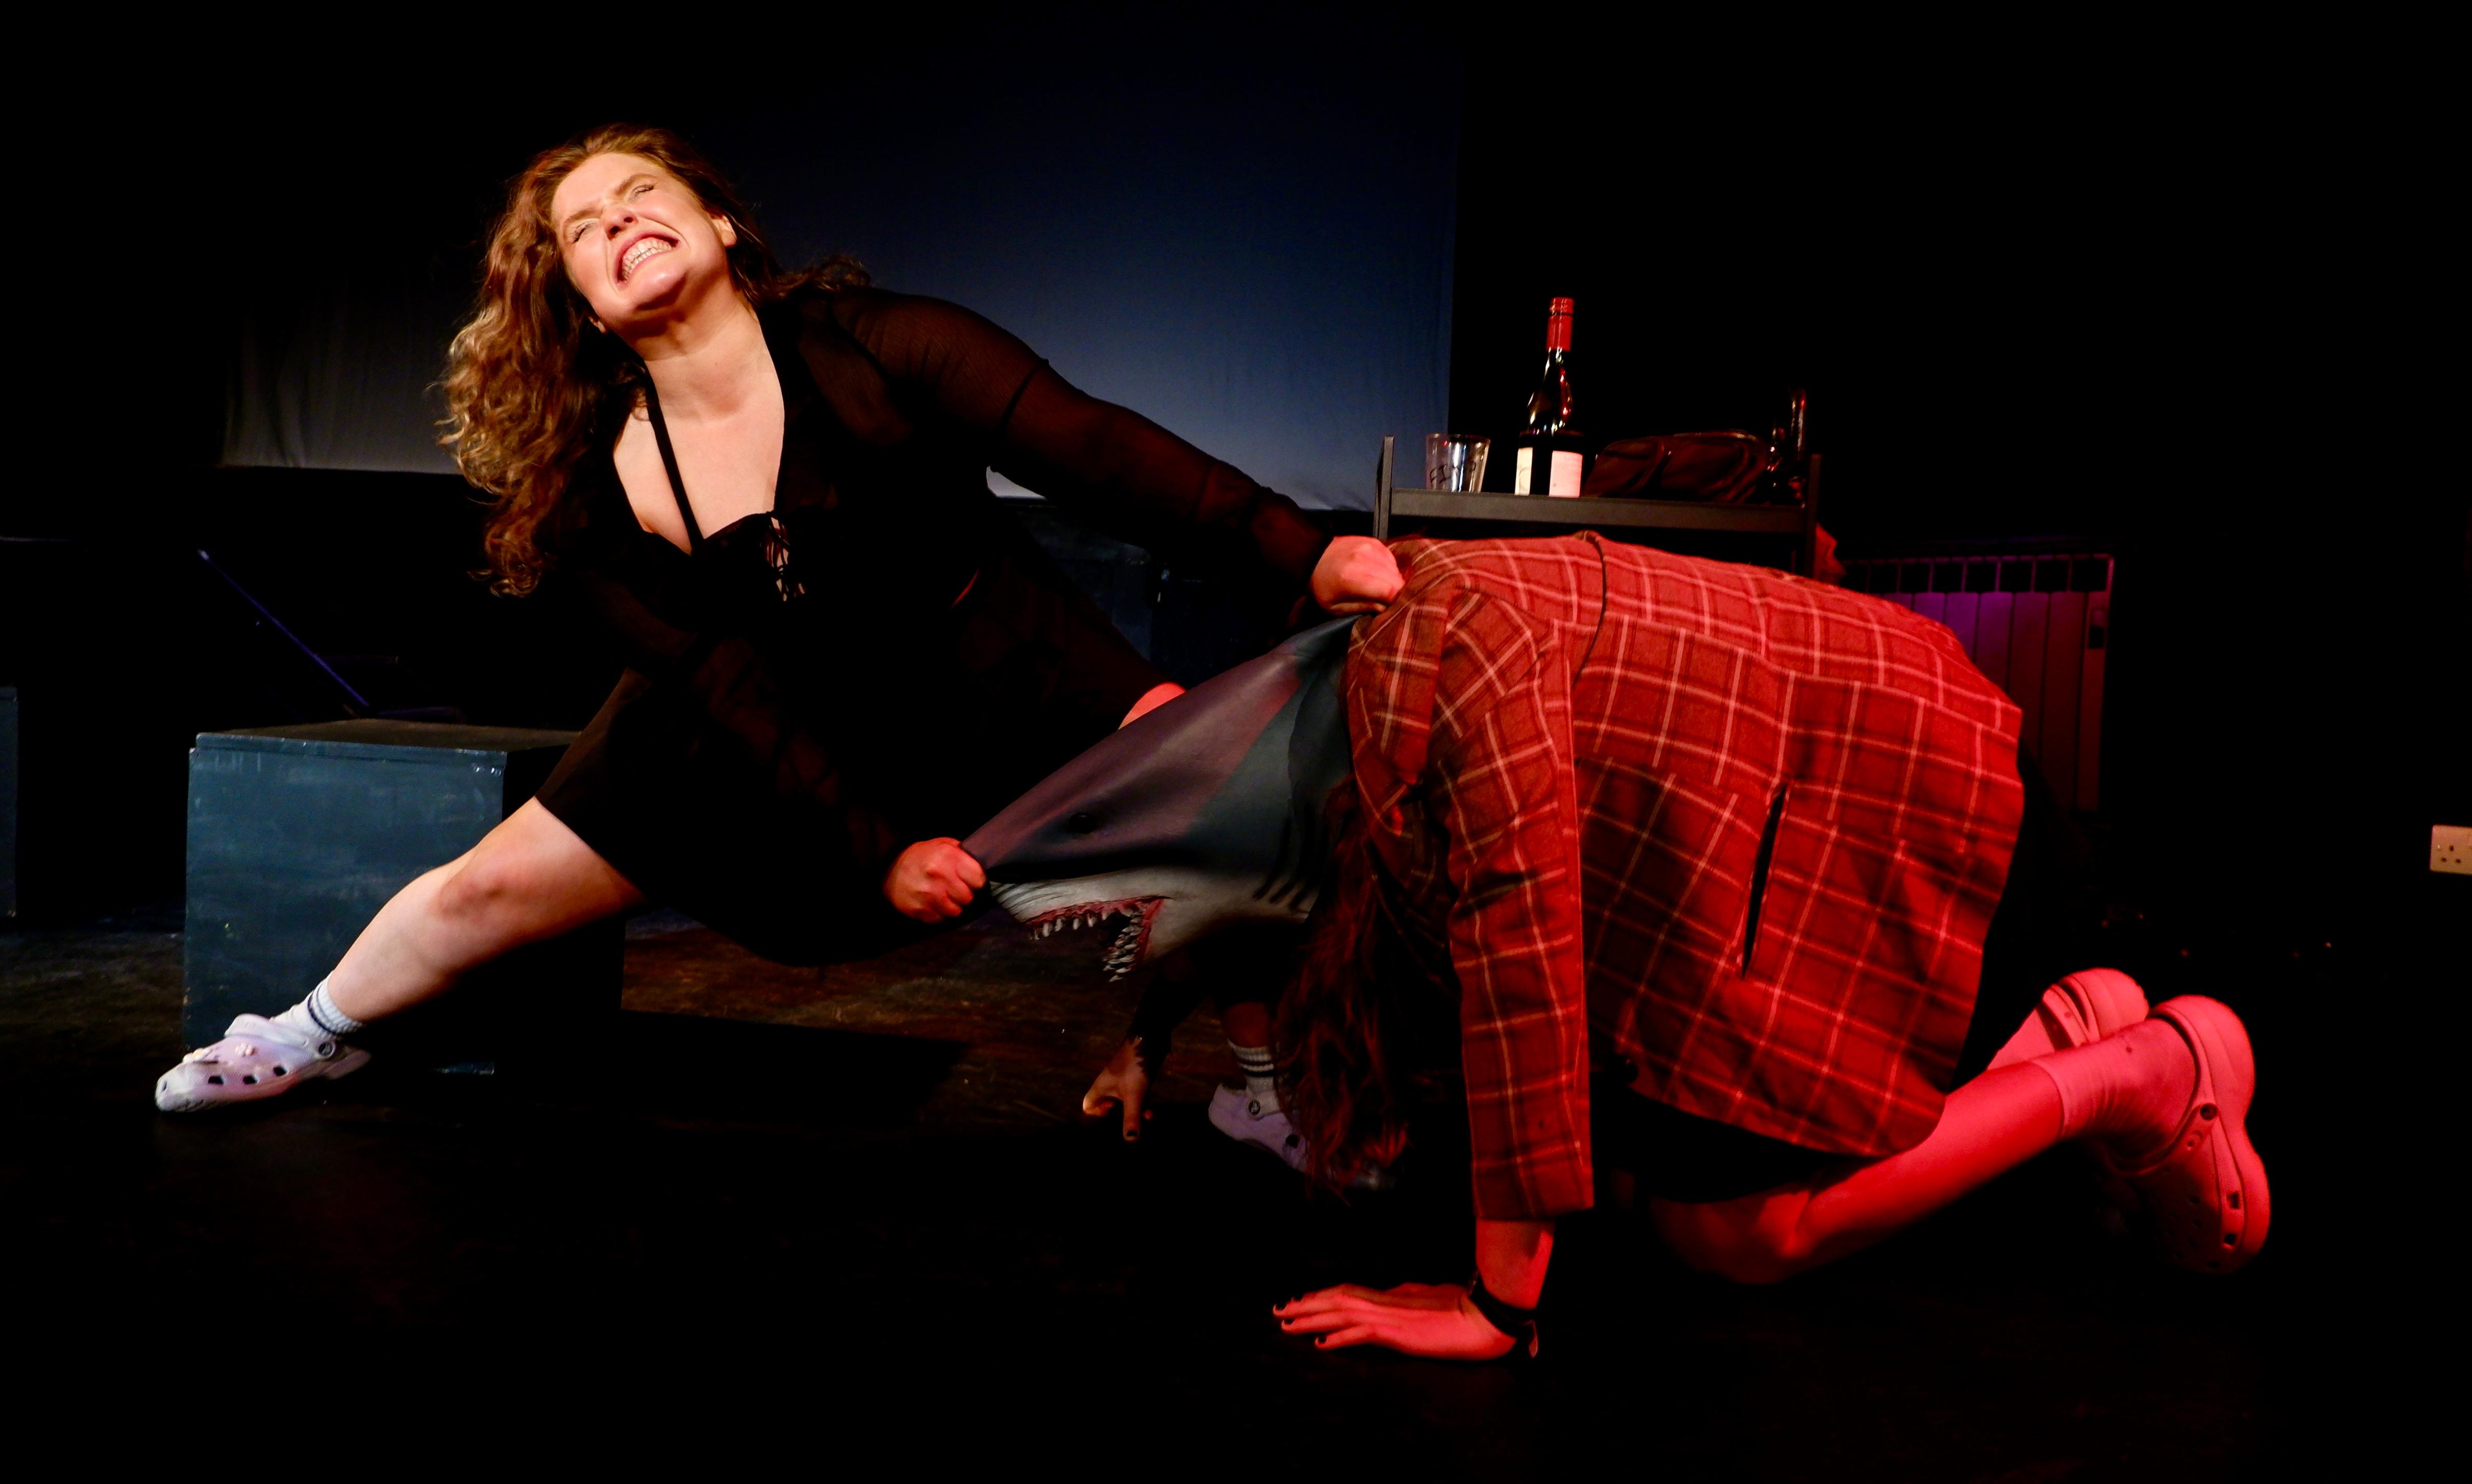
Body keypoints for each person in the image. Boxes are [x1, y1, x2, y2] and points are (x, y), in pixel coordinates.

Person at [155, 123, 1402, 1110]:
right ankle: (306, 1033)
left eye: (640, 195)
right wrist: (876, 851)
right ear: (581, 304)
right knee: (488, 891)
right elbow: (721, 682)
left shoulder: (884, 345)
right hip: (751, 731)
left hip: (997, 668)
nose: (618, 221)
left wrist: (1301, 549)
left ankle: (1265, 1097)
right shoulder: (591, 484)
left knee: (1228, 808)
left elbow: (1098, 454)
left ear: (719, 223)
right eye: (585, 229)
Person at [1261, 533, 2268, 1362]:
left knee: (1736, 1234)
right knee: (1646, 1192)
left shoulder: (1424, 668)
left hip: (1921, 822)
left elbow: (1520, 947)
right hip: (1807, 840)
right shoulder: (1363, 655)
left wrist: (1494, 1305)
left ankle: (2139, 1076)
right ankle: (2062, 1024)